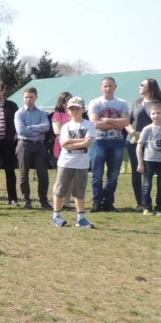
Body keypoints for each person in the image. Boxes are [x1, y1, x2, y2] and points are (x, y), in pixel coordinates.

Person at [128, 78, 161, 211]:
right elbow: (128, 121)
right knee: (138, 172)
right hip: (136, 142)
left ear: (150, 88)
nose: (139, 87)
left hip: (155, 144)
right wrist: (133, 132)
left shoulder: (160, 104)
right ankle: (142, 203)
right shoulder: (136, 103)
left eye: (142, 85)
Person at [51, 96, 96, 228]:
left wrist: (73, 142)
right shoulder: (65, 127)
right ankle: (57, 216)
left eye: (77, 108)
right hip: (65, 162)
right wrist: (81, 142)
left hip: (82, 164)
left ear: (83, 109)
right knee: (60, 190)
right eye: (71, 109)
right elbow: (64, 144)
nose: (74, 111)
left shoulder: (89, 125)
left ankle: (81, 218)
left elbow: (88, 143)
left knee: (79, 191)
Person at [87, 77, 129, 213]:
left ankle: (108, 202)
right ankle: (97, 202)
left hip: (117, 142)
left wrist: (107, 119)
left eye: (110, 86)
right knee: (97, 174)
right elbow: (95, 123)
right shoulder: (95, 103)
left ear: (115, 87)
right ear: (101, 87)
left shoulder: (122, 103)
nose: (108, 89)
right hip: (98, 142)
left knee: (113, 175)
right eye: (105, 86)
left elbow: (125, 122)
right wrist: (116, 122)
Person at [15, 87, 53, 209]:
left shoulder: (41, 113)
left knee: (43, 174)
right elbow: (20, 130)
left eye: (31, 97)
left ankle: (44, 200)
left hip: (39, 146)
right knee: (23, 174)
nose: (28, 100)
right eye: (26, 97)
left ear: (36, 97)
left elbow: (46, 127)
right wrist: (37, 129)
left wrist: (30, 128)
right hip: (24, 145)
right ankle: (27, 200)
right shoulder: (19, 113)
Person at [135, 102, 161, 215]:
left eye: (158, 113)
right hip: (148, 160)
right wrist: (140, 162)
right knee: (147, 185)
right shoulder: (147, 129)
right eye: (153, 113)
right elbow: (140, 145)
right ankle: (147, 206)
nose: (156, 115)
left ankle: (159, 207)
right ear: (150, 115)